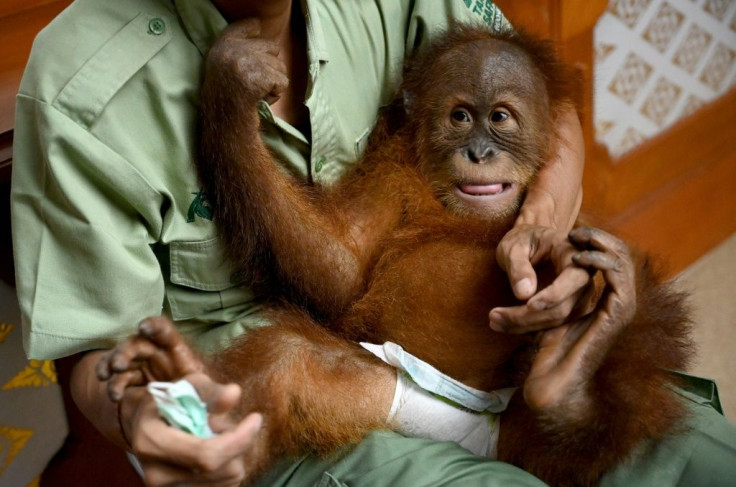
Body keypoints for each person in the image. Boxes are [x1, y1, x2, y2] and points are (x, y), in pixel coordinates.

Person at [11, 1, 734, 486]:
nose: (481, 153)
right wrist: (144, 409)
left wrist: (540, 225)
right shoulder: (81, 82)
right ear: (422, 115)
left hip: (518, 366)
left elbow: (549, 102)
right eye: (461, 124)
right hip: (301, 381)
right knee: (283, 362)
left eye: (501, 127)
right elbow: (103, 352)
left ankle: (565, 406)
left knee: (702, 456)